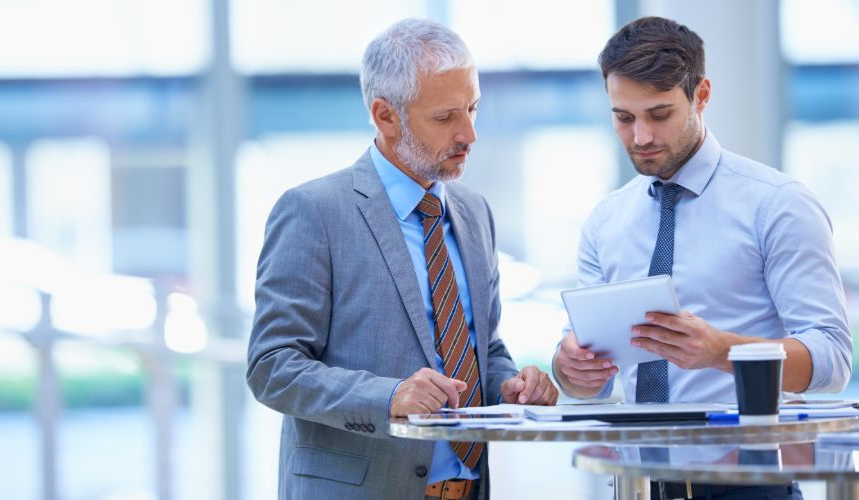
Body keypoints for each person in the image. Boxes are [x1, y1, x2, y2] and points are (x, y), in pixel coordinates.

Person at [247, 18, 558, 500]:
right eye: (446, 117)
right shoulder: (313, 212)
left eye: (473, 108)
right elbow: (272, 366)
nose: (470, 132)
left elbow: (483, 347)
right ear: (385, 116)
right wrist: (388, 398)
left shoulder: (474, 212)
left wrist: (512, 386)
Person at [551, 16, 851, 500]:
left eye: (660, 113)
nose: (641, 136)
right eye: (624, 118)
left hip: (750, 486)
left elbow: (832, 359)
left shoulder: (778, 203)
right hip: (636, 485)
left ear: (702, 95)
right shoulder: (606, 220)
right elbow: (591, 386)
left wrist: (720, 351)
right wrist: (572, 370)